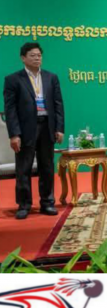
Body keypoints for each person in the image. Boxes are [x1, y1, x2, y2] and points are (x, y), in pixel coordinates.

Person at [3, 43, 64, 220]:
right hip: (25, 129)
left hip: (47, 126)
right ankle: (24, 205)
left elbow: (58, 104)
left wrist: (59, 128)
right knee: (24, 168)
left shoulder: (51, 77)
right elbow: (10, 109)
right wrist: (14, 134)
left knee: (47, 167)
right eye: (32, 55)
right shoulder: (13, 79)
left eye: (39, 55)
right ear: (23, 58)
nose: (37, 58)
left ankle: (47, 202)